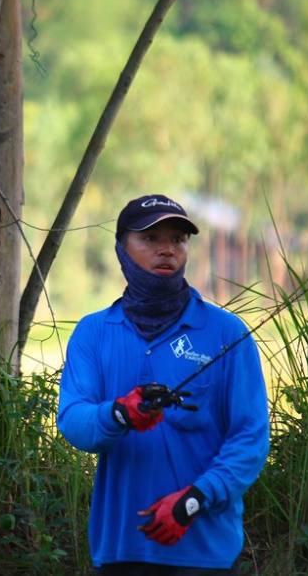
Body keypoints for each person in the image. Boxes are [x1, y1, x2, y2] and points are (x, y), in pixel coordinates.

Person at [57, 194, 270, 575]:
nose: (167, 250)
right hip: (122, 549)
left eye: (177, 239)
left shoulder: (226, 334)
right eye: (150, 239)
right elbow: (74, 420)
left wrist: (195, 499)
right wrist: (119, 413)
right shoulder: (93, 333)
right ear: (122, 248)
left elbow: (250, 438)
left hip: (204, 554)